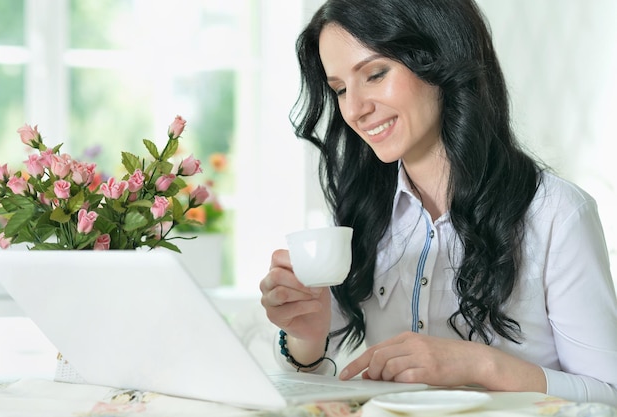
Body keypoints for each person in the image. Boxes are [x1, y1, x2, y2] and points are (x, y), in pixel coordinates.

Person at [259, 0, 617, 406]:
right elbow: (312, 383)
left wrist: (480, 365)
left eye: (375, 74)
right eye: (340, 89)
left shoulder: (556, 214)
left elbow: (608, 396)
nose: (355, 110)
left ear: (440, 59)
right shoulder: (359, 210)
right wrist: (306, 336)